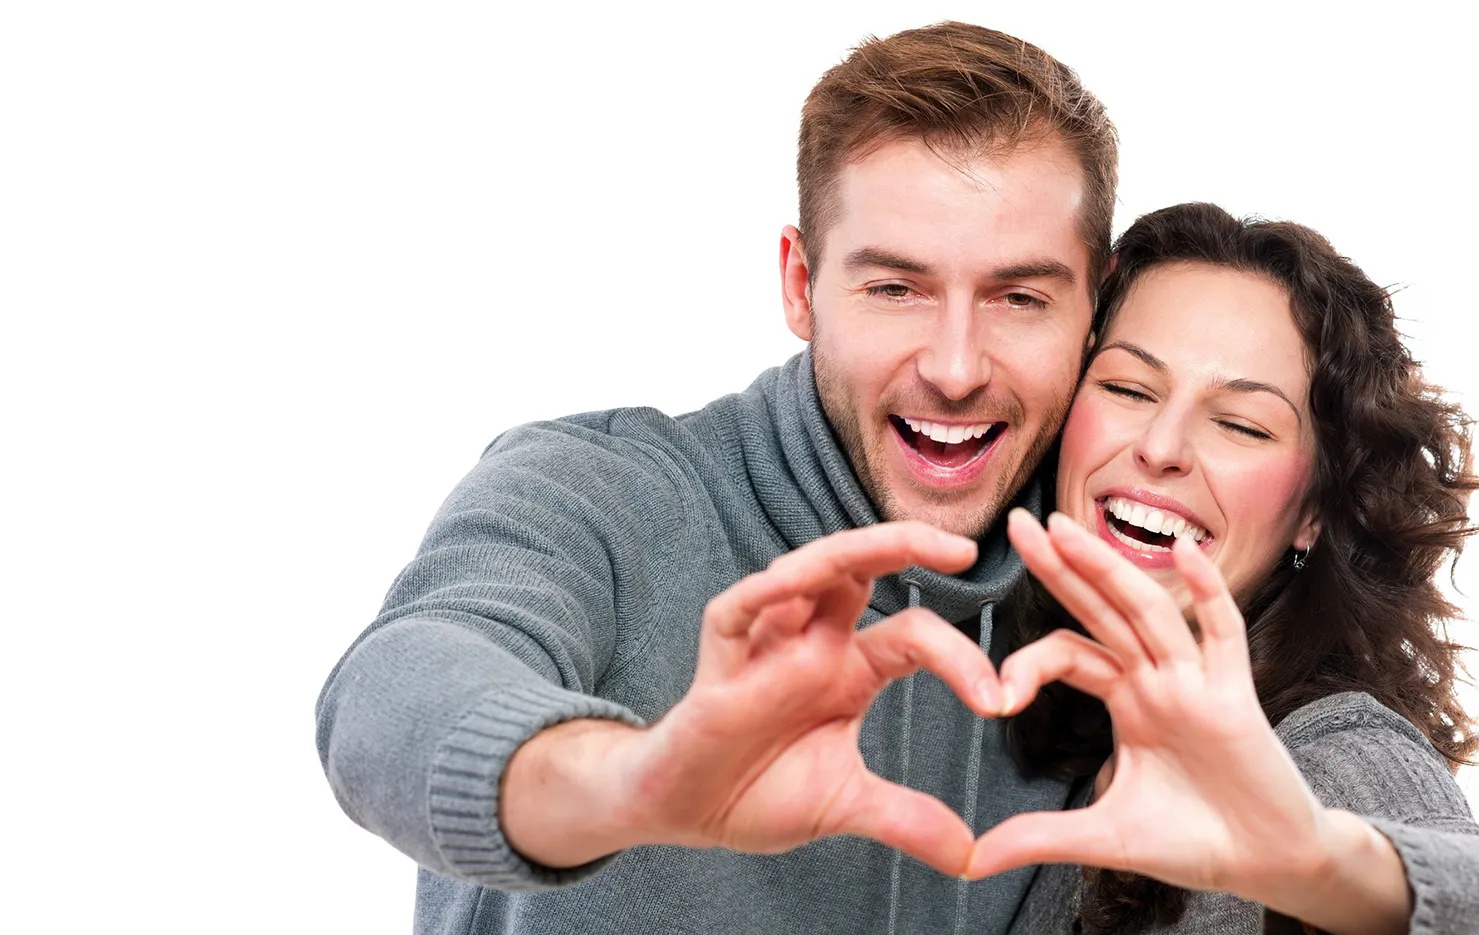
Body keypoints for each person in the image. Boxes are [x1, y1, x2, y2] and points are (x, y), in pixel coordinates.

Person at [315, 22, 1118, 935]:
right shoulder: (600, 490)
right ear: (799, 281)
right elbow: (392, 692)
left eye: (1020, 297)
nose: (956, 365)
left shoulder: (1103, 580)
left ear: (1096, 305)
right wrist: (635, 780)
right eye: (895, 288)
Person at [973, 203, 1479, 933]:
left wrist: (1315, 858)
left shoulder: (1326, 752)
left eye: (1241, 424)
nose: (1162, 445)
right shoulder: (1050, 725)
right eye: (1128, 389)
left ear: (1312, 512)